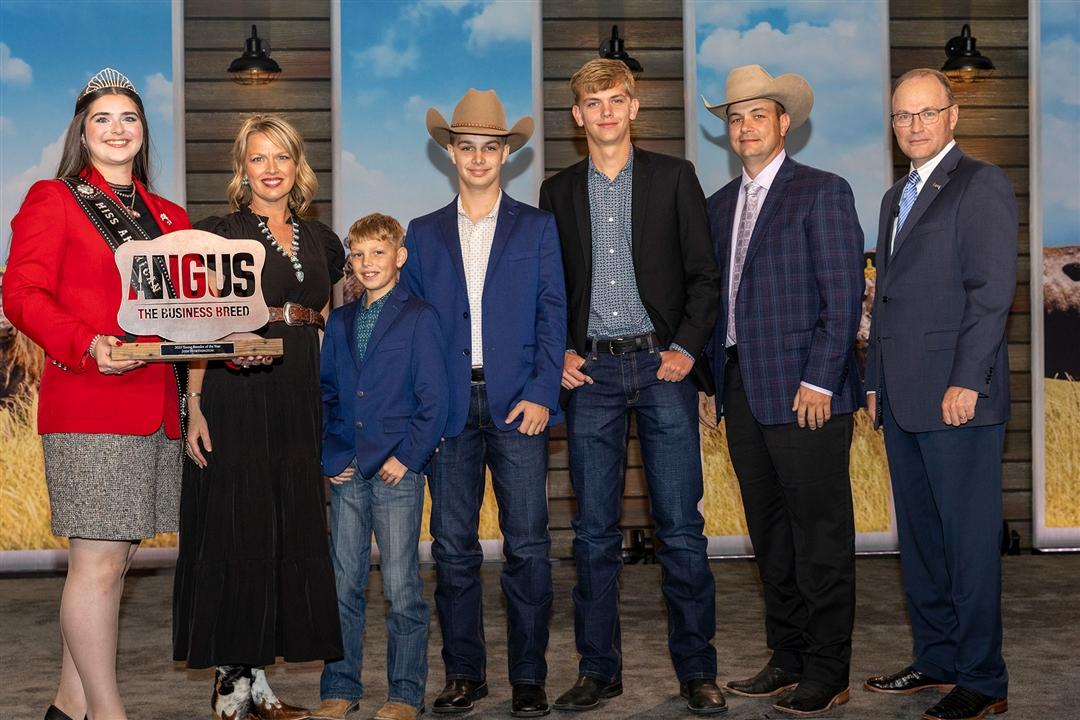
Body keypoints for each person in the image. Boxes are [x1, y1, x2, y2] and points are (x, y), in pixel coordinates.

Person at [537, 59, 724, 715]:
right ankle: (598, 671)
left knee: (681, 530)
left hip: (662, 368)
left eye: (617, 99)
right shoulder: (556, 192)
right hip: (590, 375)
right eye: (595, 102)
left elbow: (705, 277)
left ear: (635, 107)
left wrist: (686, 349)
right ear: (578, 116)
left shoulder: (675, 179)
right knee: (592, 534)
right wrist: (556, 347)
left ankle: (699, 673)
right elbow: (549, 288)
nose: (607, 111)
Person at [3, 67, 190, 720]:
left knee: (113, 562)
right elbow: (21, 294)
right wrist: (86, 341)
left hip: (156, 407)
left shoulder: (171, 216)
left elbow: (186, 313)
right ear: (83, 132)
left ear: (143, 132)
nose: (117, 129)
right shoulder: (53, 200)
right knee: (99, 566)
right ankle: (110, 714)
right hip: (89, 402)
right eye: (102, 118)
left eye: (129, 118)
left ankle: (66, 707)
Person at [701, 65, 864, 717]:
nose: (745, 127)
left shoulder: (821, 192)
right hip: (742, 392)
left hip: (807, 395)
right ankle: (789, 656)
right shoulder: (718, 207)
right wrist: (712, 384)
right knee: (770, 538)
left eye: (757, 115)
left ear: (784, 122)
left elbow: (843, 293)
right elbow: (717, 304)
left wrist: (822, 377)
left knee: (820, 536)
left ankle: (829, 669)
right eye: (736, 119)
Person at [173, 114, 345, 720]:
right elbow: (194, 322)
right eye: (258, 158)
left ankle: (259, 684)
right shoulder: (218, 234)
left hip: (295, 391)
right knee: (238, 524)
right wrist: (192, 403)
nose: (271, 169)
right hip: (235, 391)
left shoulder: (324, 240)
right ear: (241, 170)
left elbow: (325, 320)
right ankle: (231, 686)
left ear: (298, 167)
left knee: (282, 525)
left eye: (282, 157)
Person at [400, 88, 566, 718]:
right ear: (450, 152)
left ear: (506, 153)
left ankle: (529, 676)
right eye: (465, 146)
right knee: (452, 546)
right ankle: (464, 673)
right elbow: (414, 331)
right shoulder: (422, 234)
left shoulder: (538, 227)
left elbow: (554, 315)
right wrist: (425, 408)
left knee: (527, 546)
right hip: (448, 412)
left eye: (489, 147)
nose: (477, 158)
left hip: (518, 406)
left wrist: (542, 394)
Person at [863, 68, 1016, 720]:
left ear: (952, 115)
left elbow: (991, 293)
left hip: (958, 400)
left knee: (968, 545)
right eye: (903, 116)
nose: (915, 126)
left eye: (927, 113)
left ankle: (982, 682)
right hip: (901, 398)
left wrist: (966, 379)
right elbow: (888, 299)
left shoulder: (981, 185)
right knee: (922, 542)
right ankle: (938, 659)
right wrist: (873, 383)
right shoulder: (895, 195)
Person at [312, 213, 448, 720]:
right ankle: (340, 688)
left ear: (400, 257)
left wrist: (407, 458)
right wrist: (331, 455)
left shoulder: (419, 316)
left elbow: (433, 400)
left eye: (378, 252)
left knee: (400, 587)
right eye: (358, 253)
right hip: (347, 471)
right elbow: (327, 396)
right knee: (344, 584)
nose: (367, 263)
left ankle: (405, 693)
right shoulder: (341, 320)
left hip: (396, 473)